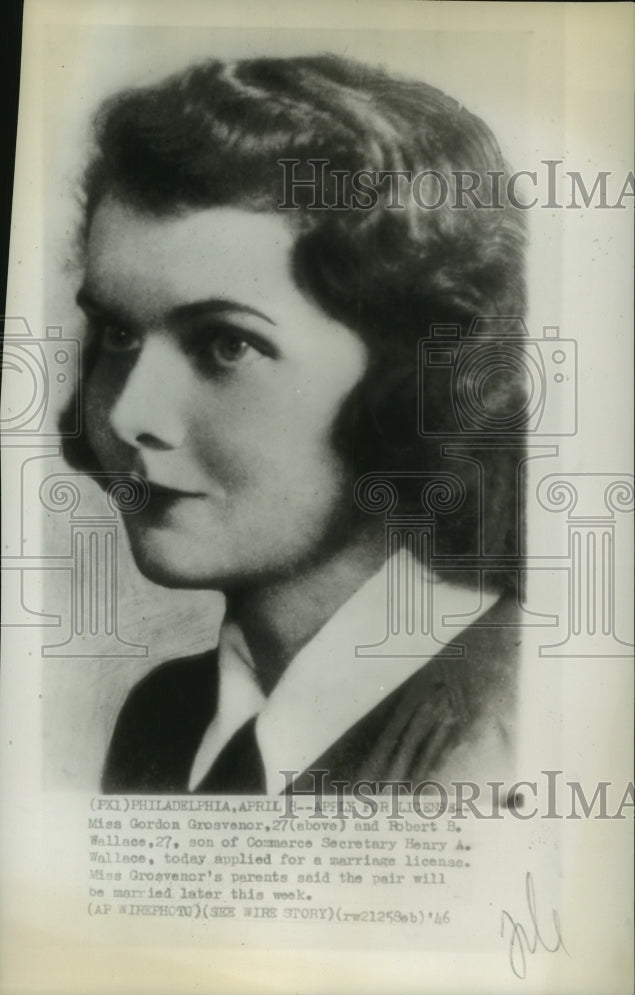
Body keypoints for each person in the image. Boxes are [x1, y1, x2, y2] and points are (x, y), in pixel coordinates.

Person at [61, 54, 527, 794]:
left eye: (226, 345)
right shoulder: (168, 718)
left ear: (410, 375)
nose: (128, 414)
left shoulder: (514, 730)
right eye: (118, 336)